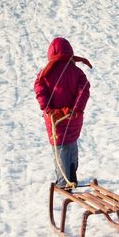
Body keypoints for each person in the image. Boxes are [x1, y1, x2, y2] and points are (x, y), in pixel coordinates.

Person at [34, 37, 92, 188]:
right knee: (71, 142)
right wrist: (77, 109)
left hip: (54, 119)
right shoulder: (77, 72)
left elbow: (39, 88)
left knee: (60, 147)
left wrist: (47, 108)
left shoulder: (46, 73)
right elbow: (83, 89)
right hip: (73, 116)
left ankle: (63, 182)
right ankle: (72, 175)